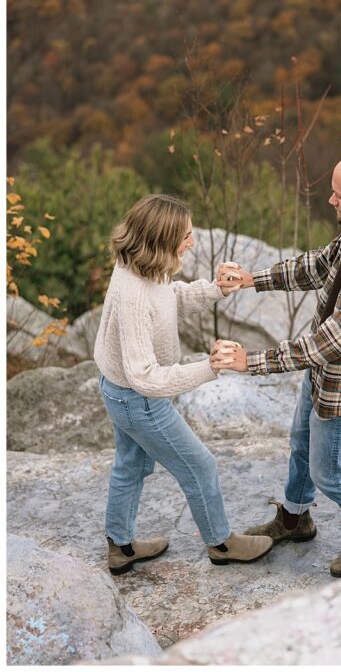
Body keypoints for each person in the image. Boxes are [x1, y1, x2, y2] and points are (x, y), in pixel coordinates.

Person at [212, 150, 341, 577]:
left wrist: (250, 362)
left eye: (339, 196)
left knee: (329, 470)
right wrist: (252, 280)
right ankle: (295, 517)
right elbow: (318, 265)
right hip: (325, 372)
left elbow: (327, 344)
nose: (331, 201)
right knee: (300, 442)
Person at [93, 194, 273, 575]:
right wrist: (208, 368)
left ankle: (120, 547)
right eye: (186, 236)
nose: (192, 242)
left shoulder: (137, 267)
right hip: (138, 399)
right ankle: (221, 543)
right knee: (200, 466)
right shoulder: (134, 295)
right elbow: (145, 376)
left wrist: (216, 289)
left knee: (131, 465)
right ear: (161, 239)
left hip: (118, 391)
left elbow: (170, 297)